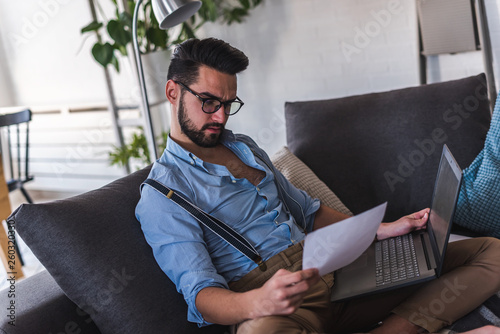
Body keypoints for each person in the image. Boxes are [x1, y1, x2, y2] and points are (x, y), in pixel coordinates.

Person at [136, 37, 500, 334]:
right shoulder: (163, 195)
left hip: (334, 270)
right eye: (209, 102)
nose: (220, 116)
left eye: (229, 104)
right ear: (173, 92)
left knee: (491, 252)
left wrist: (385, 229)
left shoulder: (244, 147)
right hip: (276, 303)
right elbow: (200, 296)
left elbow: (309, 211)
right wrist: (261, 302)